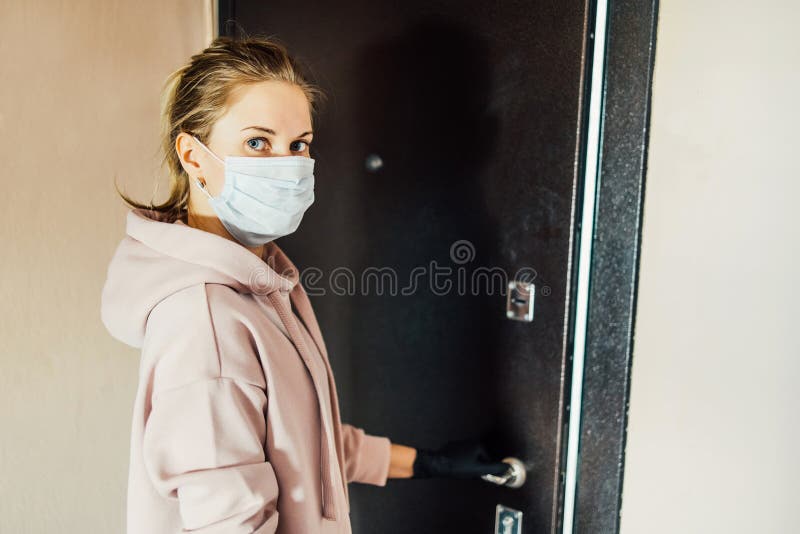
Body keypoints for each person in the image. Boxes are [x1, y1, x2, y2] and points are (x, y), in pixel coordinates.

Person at [100, 35, 509, 534]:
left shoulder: (262, 284)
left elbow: (298, 439)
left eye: (299, 146)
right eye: (257, 142)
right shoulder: (206, 320)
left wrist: (426, 462)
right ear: (193, 155)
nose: (287, 164)